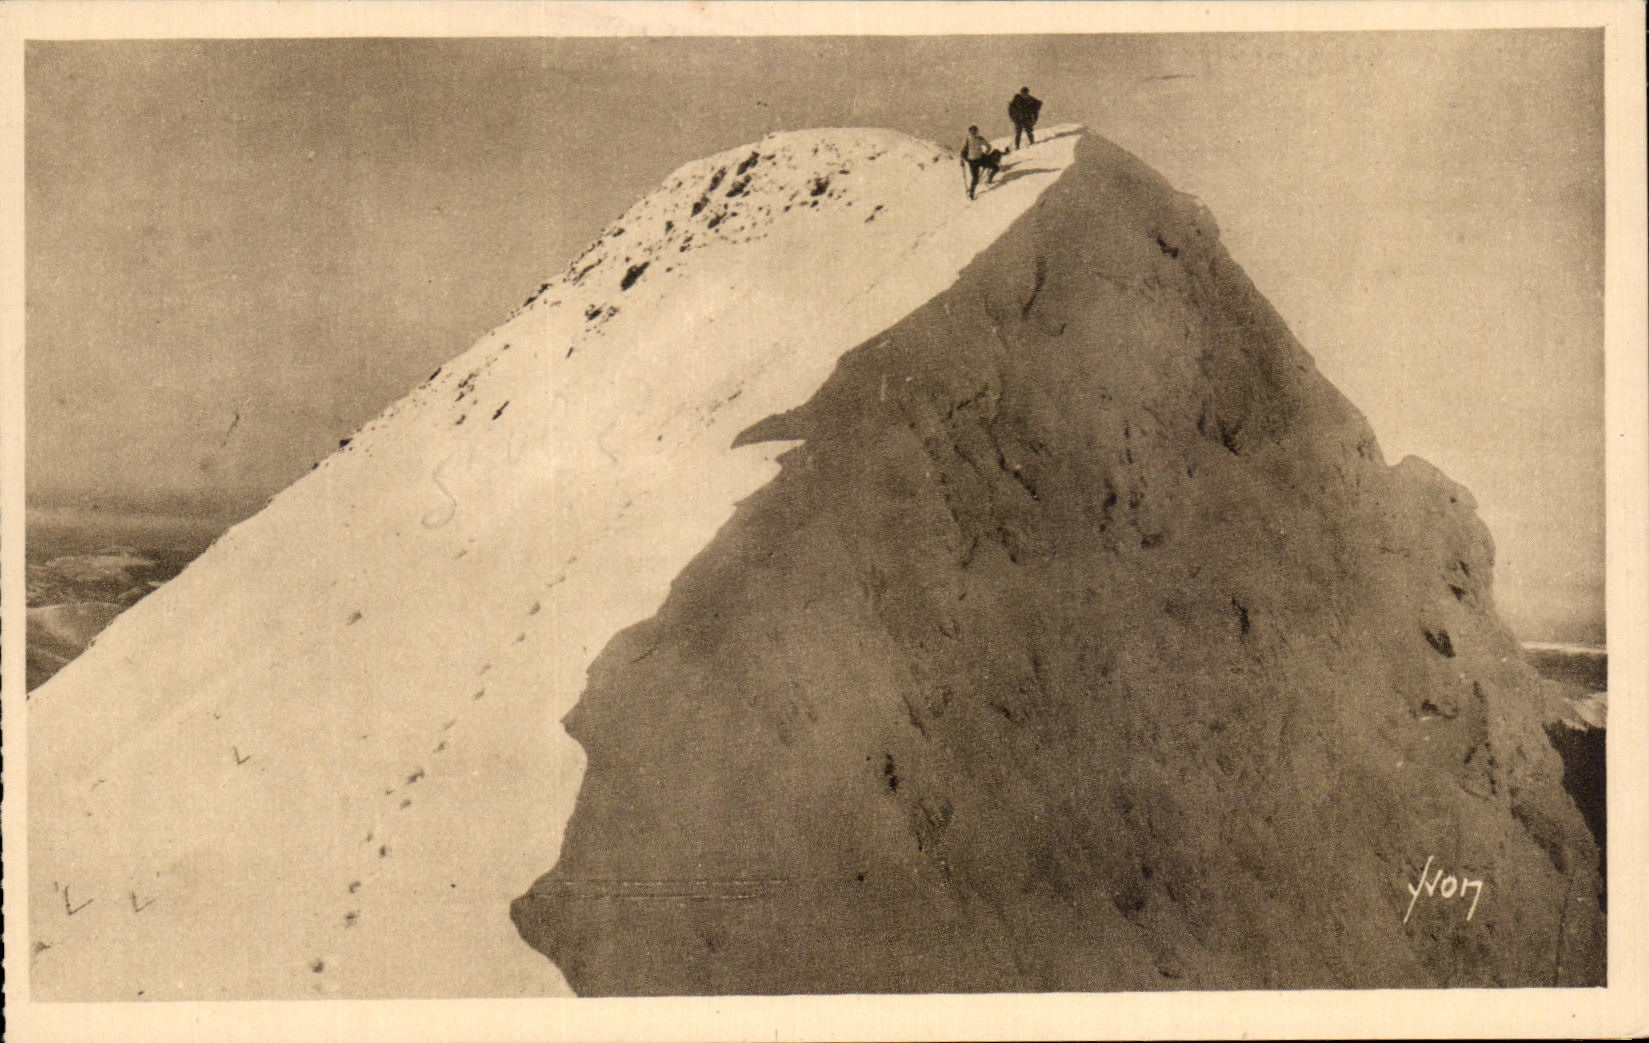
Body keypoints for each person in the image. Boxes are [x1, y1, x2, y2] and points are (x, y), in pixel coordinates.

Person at [959, 125, 1002, 200]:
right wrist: (962, 160)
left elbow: (988, 146)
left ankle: (988, 180)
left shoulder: (976, 138)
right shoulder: (968, 139)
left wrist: (987, 151)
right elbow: (962, 151)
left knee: (995, 168)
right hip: (973, 161)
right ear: (969, 132)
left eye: (975, 131)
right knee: (976, 178)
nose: (973, 133)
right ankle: (972, 193)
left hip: (979, 159)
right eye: (972, 131)